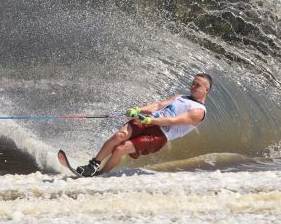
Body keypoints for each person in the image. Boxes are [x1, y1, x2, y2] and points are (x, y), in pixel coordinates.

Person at [76, 73, 212, 176]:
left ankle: (101, 174)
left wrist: (150, 120)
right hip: (148, 121)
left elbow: (173, 121)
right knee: (119, 135)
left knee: (120, 149)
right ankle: (92, 166)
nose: (193, 87)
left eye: (197, 85)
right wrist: (138, 110)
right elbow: (159, 105)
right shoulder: (180, 97)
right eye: (193, 83)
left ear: (206, 90)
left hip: (160, 135)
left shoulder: (199, 112)